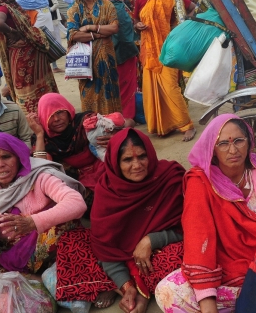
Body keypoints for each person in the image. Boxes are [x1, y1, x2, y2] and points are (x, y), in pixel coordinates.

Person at [155, 114, 256, 313]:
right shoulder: (200, 181)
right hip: (222, 266)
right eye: (223, 143)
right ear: (213, 150)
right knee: (167, 292)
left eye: (239, 141)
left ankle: (253, 301)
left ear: (249, 142)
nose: (232, 150)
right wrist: (208, 304)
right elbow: (199, 239)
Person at [0, 132, 86, 306]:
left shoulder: (38, 175)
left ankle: (23, 283)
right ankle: (32, 281)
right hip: (3, 258)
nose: (0, 165)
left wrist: (32, 222)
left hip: (39, 249)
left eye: (6, 156)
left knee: (65, 222)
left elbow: (77, 203)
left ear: (19, 156)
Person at [55, 128, 186, 311]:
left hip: (156, 254)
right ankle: (128, 289)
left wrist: (151, 240)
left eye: (142, 156)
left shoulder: (169, 178)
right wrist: (126, 284)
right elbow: (105, 245)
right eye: (127, 159)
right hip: (119, 254)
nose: (137, 165)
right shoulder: (107, 189)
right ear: (115, 162)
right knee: (71, 242)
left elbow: (189, 227)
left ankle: (128, 288)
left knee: (175, 259)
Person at [134, 0, 196, 141]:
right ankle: (164, 126)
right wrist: (137, 25)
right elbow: (135, 19)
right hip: (148, 49)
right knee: (151, 89)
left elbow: (192, 8)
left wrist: (181, 28)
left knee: (170, 86)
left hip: (169, 47)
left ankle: (186, 125)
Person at [28, 92, 133, 193]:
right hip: (75, 178)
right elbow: (41, 169)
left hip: (103, 166)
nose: (56, 119)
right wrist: (39, 135)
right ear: (42, 117)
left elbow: (129, 122)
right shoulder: (44, 138)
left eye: (60, 112)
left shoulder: (85, 121)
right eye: (49, 116)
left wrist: (118, 134)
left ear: (68, 111)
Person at [0, 0, 58, 114]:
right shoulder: (3, 7)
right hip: (23, 59)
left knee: (40, 86)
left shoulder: (13, 5)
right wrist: (13, 32)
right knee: (28, 88)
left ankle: (48, 112)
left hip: (31, 57)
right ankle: (36, 118)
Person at [67, 0, 121, 115]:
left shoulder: (107, 5)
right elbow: (73, 34)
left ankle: (113, 127)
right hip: (85, 63)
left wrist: (90, 27)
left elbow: (114, 27)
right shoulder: (75, 8)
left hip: (106, 60)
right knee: (89, 96)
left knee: (110, 95)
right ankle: (94, 130)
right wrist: (98, 34)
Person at [101, 0, 140, 120]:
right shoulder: (118, 7)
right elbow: (125, 36)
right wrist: (134, 49)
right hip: (124, 54)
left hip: (109, 54)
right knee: (126, 88)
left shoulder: (102, 8)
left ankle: (118, 116)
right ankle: (126, 117)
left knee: (116, 88)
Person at [41, 0, 65, 72]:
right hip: (44, 20)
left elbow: (56, 4)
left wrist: (49, 10)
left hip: (53, 19)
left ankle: (55, 66)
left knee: (54, 39)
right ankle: (53, 66)